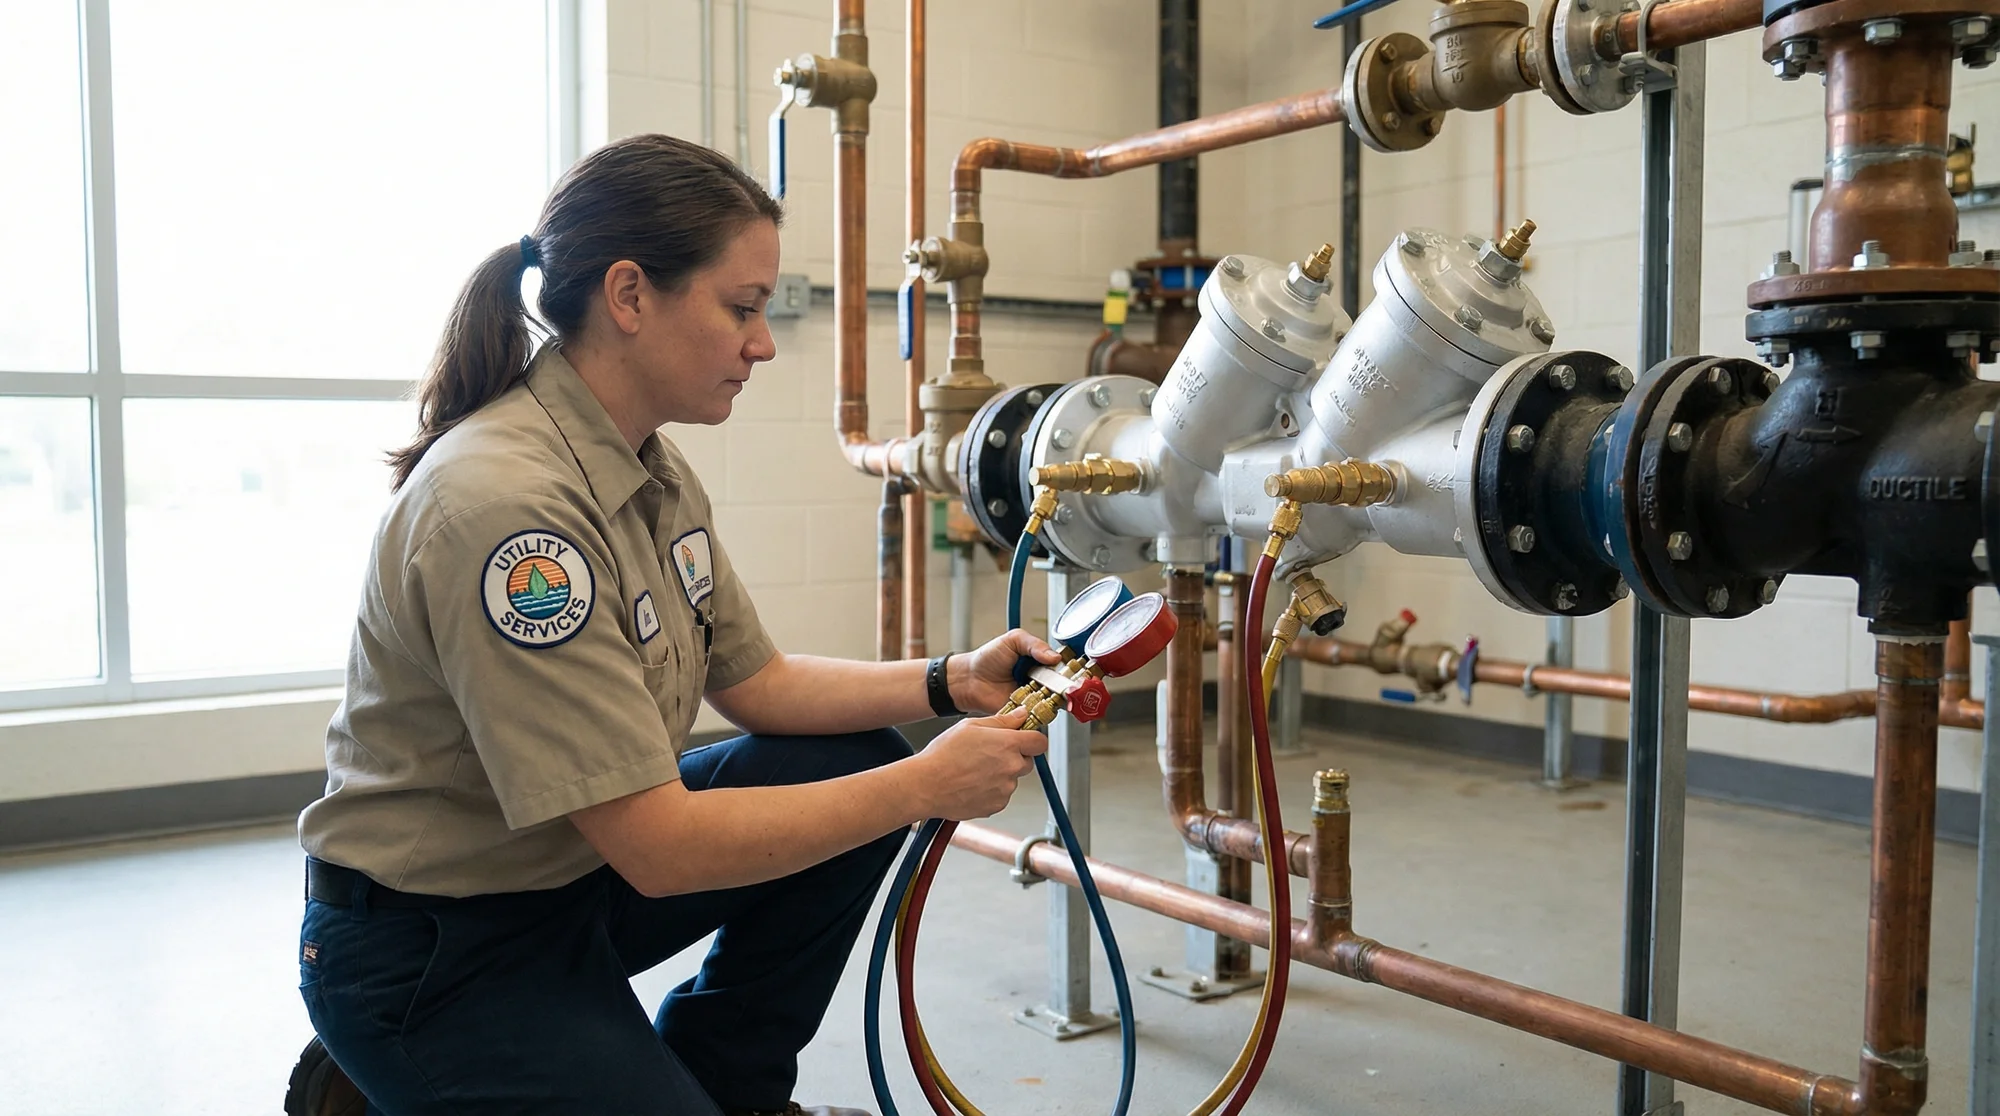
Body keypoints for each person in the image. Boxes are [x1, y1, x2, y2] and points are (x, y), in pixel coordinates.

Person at [284, 133, 1055, 1116]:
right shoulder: (509, 510)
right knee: (876, 780)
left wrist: (950, 681)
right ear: (630, 296)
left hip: (563, 885)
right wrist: (923, 782)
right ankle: (392, 1071)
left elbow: (759, 685)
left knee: (844, 754)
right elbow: (660, 849)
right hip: (435, 948)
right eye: (741, 308)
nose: (763, 342)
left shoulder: (647, 467)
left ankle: (725, 1087)